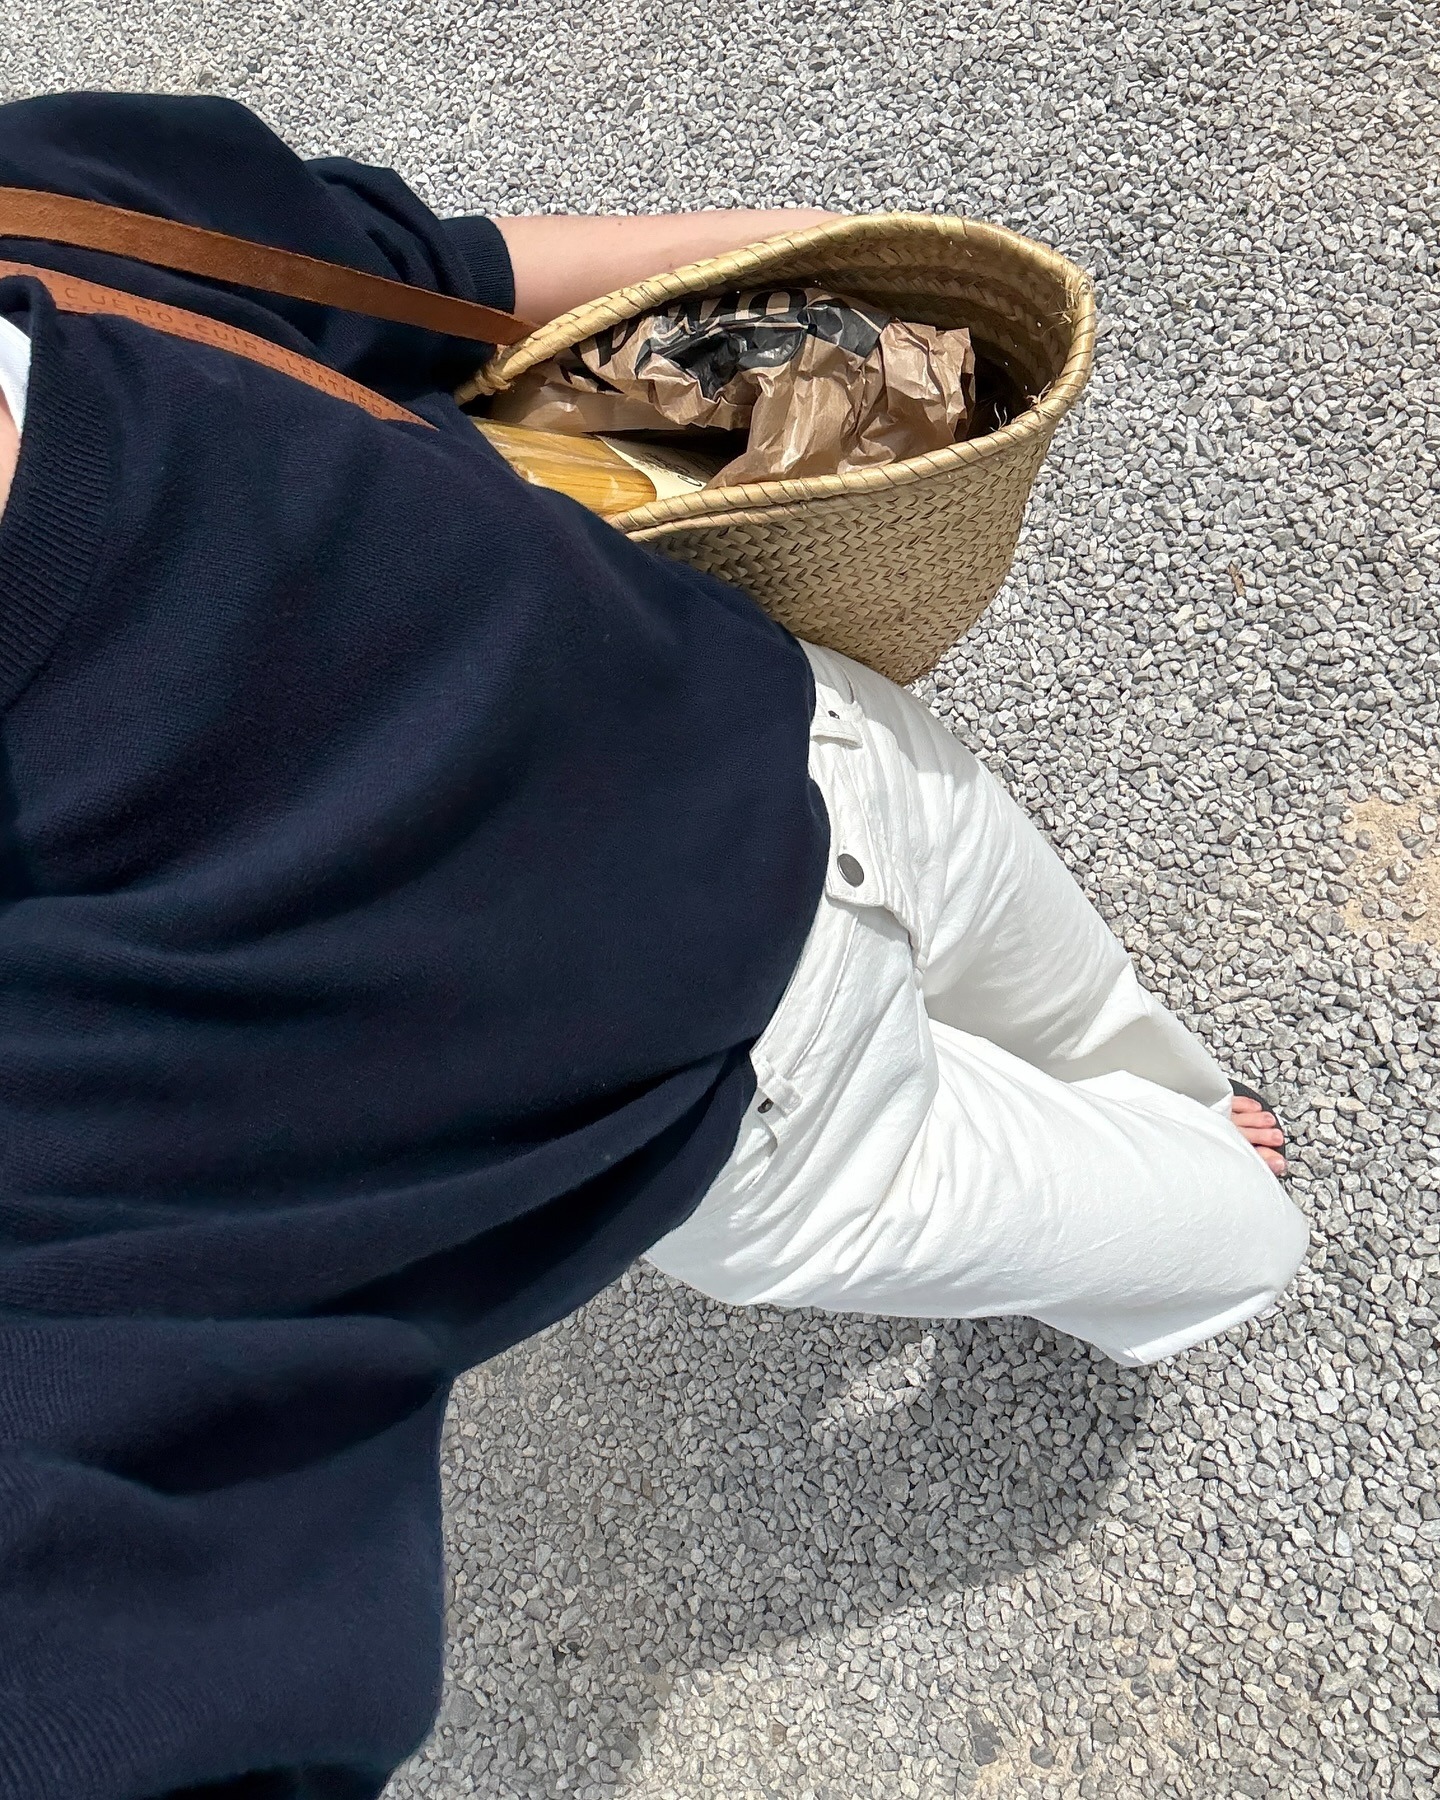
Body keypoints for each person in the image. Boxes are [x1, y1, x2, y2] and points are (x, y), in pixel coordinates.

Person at [0, 91, 1305, 1800]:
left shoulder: (44, 207)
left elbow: (440, 275)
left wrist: (837, 278)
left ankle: (1151, 1121)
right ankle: (1187, 1205)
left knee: (1123, 1048)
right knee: (1242, 1239)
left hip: (813, 736)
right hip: (772, 1124)